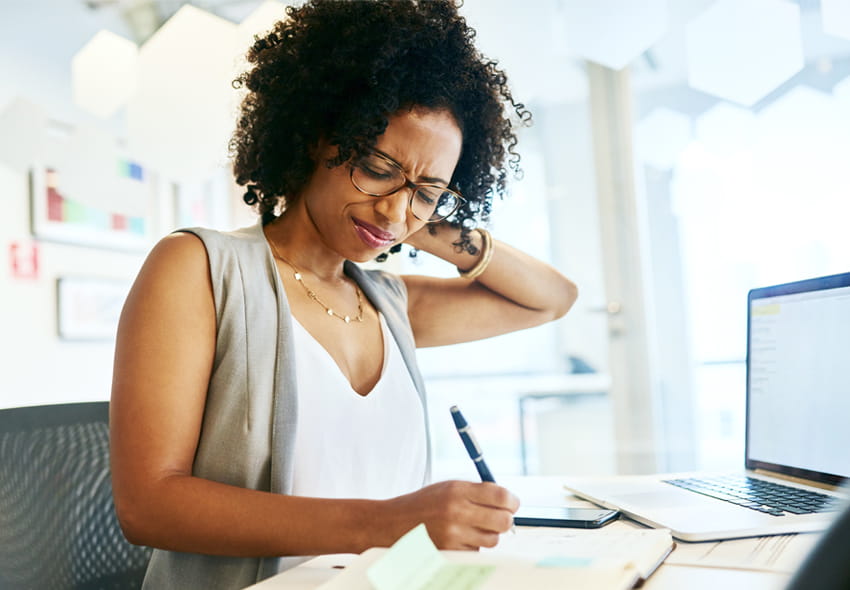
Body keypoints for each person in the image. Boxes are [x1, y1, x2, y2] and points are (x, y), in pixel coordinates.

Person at [109, 1, 578, 588]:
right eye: (378, 168)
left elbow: (552, 298)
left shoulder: (390, 303)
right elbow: (148, 505)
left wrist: (414, 215)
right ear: (317, 138)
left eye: (428, 193)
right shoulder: (200, 269)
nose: (394, 211)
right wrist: (385, 525)